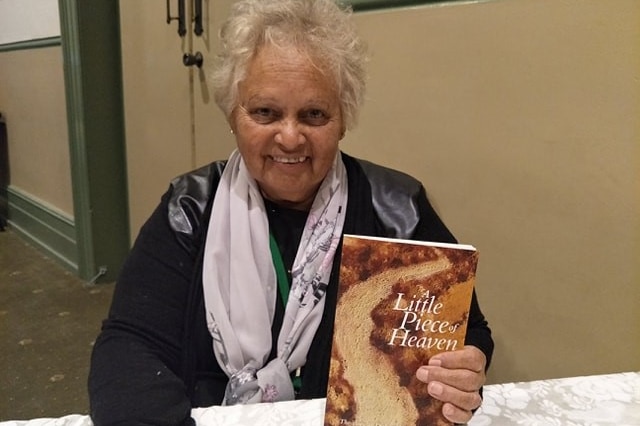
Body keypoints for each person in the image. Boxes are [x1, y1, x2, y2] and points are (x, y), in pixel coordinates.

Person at [88, 0, 494, 425]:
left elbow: (468, 333)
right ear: (233, 114)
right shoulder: (189, 210)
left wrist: (464, 372)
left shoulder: (398, 208)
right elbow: (130, 347)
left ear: (343, 119)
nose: (289, 137)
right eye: (265, 112)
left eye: (314, 114)